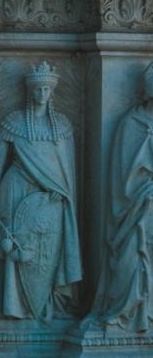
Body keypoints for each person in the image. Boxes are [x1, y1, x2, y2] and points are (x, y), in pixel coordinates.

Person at [0, 61, 82, 321]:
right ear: (29, 91)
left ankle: (45, 304)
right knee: (14, 249)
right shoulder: (14, 122)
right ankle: (13, 306)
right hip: (14, 191)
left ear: (52, 92)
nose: (41, 94)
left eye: (46, 89)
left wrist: (62, 192)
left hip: (51, 202)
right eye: (37, 89)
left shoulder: (62, 126)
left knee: (47, 253)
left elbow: (66, 170)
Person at [92, 62, 153, 332]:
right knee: (130, 258)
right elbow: (122, 175)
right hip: (137, 208)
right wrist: (144, 192)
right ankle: (126, 311)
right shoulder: (132, 123)